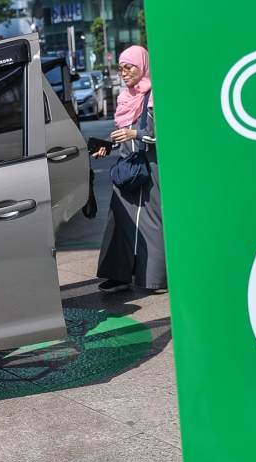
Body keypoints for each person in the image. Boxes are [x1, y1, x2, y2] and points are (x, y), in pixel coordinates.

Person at [92, 45, 166, 294]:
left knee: (151, 223)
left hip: (148, 169)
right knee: (120, 219)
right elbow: (123, 134)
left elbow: (164, 136)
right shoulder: (126, 98)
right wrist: (108, 145)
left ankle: (153, 278)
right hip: (127, 168)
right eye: (121, 68)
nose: (124, 73)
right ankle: (118, 275)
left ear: (143, 66)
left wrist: (135, 133)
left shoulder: (155, 98)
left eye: (129, 67)